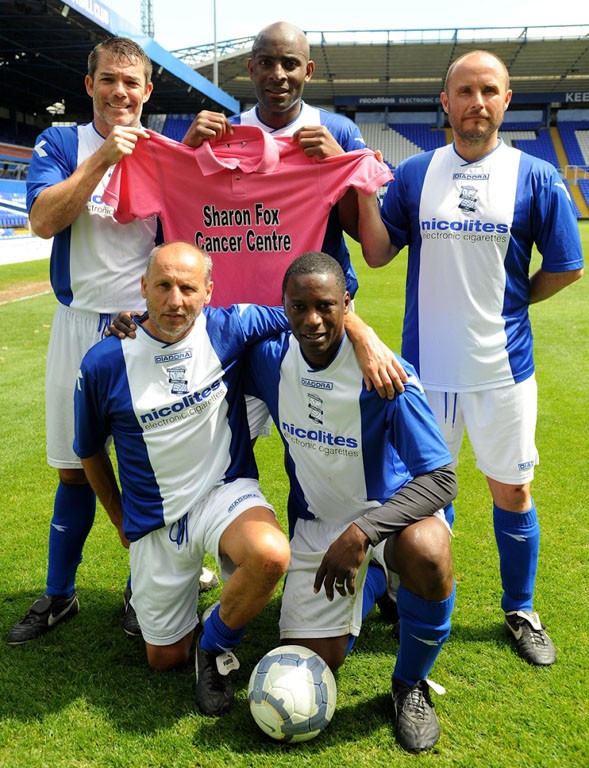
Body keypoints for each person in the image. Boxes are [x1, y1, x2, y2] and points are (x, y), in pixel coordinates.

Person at [72, 241, 398, 718]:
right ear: (143, 288)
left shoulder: (229, 326)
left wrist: (363, 332)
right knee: (164, 660)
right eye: (162, 286)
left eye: (187, 287)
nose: (175, 300)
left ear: (208, 291)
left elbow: (307, 311)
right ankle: (171, 607)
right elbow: (88, 451)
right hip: (155, 520)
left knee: (270, 555)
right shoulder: (104, 360)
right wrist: (120, 518)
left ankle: (216, 646)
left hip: (224, 492)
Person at [356, 50, 584, 667]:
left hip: (503, 372)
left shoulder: (536, 177)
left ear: (506, 100)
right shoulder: (416, 174)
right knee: (426, 498)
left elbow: (565, 265)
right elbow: (377, 253)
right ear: (445, 102)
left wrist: (516, 304)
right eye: (464, 91)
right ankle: (421, 596)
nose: (476, 102)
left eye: (489, 90)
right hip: (423, 376)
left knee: (512, 491)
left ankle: (520, 609)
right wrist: (349, 187)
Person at [4, 36, 216, 647]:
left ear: (148, 91)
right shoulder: (62, 143)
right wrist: (102, 160)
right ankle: (59, 594)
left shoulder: (161, 148)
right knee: (74, 470)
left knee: (154, 471)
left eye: (133, 83)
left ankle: (142, 590)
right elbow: (43, 221)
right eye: (109, 80)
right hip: (78, 325)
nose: (121, 92)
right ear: (90, 84)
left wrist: (189, 153)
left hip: (148, 330)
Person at [244, 252, 457, 753]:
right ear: (284, 307)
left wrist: (364, 533)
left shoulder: (383, 373)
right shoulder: (269, 361)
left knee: (427, 551)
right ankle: (377, 582)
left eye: (325, 306)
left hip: (388, 519)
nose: (312, 320)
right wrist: (133, 325)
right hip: (317, 523)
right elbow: (201, 336)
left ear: (347, 305)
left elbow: (442, 479)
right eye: (299, 307)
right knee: (317, 661)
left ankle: (409, 685)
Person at [181, 20, 366, 300]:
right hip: (244, 303)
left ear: (308, 71)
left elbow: (363, 233)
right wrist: (186, 153)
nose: (277, 74)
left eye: (290, 64)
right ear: (251, 68)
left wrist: (340, 166)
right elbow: (187, 213)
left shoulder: (339, 132)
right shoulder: (223, 135)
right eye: (266, 63)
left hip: (320, 304)